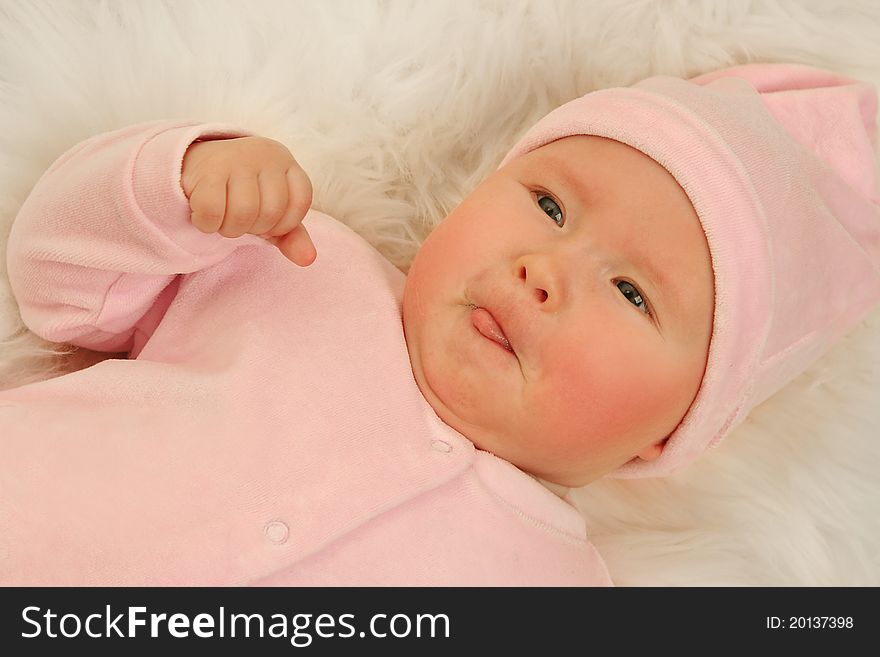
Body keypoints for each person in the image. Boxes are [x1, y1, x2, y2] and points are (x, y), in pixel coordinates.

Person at [1, 62, 877, 585]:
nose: (544, 270)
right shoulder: (299, 264)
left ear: (666, 433)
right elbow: (56, 286)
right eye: (547, 203)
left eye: (633, 292)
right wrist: (179, 184)